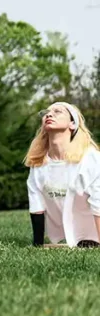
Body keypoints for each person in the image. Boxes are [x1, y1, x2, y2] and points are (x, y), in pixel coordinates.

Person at [26, 102, 100, 248]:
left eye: (58, 111)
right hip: (73, 239)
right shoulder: (38, 163)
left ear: (72, 124)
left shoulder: (90, 158)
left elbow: (99, 201)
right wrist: (37, 245)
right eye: (47, 112)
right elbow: (36, 205)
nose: (49, 114)